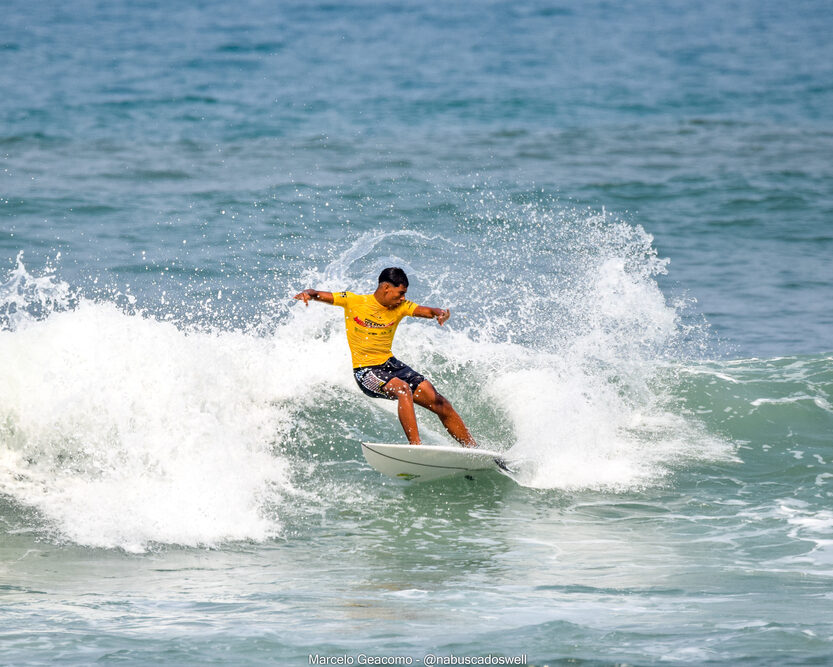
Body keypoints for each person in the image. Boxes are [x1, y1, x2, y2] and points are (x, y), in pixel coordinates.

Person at [294, 267, 477, 448]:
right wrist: (307, 294)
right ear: (386, 288)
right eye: (401, 292)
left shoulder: (401, 307)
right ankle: (416, 448)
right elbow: (317, 294)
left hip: (390, 364)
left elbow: (428, 311)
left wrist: (439, 313)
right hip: (366, 371)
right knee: (403, 389)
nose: (403, 298)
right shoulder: (354, 301)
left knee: (439, 401)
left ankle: (473, 450)